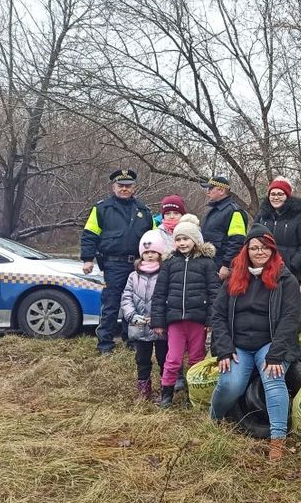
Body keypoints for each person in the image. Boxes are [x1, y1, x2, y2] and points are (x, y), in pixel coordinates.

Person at [210, 225, 301, 463]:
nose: (259, 252)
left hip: (269, 344)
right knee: (230, 385)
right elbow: (217, 315)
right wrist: (224, 349)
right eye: (254, 248)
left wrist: (276, 354)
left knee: (273, 378)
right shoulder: (234, 277)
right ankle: (214, 420)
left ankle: (277, 440)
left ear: (273, 250)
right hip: (238, 345)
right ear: (246, 251)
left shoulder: (286, 279)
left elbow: (290, 319)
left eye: (264, 247)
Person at [80, 168, 155, 356]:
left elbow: (154, 239)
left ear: (134, 188)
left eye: (128, 186)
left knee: (136, 303)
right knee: (111, 303)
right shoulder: (102, 209)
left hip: (138, 265)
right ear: (113, 187)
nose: (124, 189)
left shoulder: (144, 211)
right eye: (120, 185)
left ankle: (132, 340)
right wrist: (87, 259)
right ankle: (105, 344)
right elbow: (89, 235)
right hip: (113, 264)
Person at [151, 215, 218, 408]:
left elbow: (214, 292)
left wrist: (211, 319)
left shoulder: (207, 263)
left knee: (197, 359)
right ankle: (166, 395)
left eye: (186, 239)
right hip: (175, 320)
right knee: (173, 359)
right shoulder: (170, 263)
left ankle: (194, 395)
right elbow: (159, 293)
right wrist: (158, 321)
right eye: (178, 239)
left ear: (195, 239)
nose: (182, 243)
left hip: (197, 320)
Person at [120, 230, 168, 401]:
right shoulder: (133, 276)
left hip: (160, 326)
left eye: (154, 252)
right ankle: (143, 390)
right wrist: (132, 316)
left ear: (160, 254)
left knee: (164, 358)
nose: (150, 255)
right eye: (146, 252)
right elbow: (126, 298)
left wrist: (160, 318)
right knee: (142, 359)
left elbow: (169, 298)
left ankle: (165, 389)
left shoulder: (165, 274)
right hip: (139, 326)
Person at [257, 177, 301, 280]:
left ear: (287, 196)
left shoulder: (299, 217)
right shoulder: (262, 217)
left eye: (280, 194)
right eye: (273, 194)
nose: (276, 197)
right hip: (264, 269)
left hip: (289, 273)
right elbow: (253, 239)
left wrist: (293, 265)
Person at [201, 175, 249, 281]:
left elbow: (237, 241)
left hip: (221, 268)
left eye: (210, 188)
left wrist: (226, 265)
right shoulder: (214, 210)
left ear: (221, 191)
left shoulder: (235, 211)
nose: (207, 192)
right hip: (210, 264)